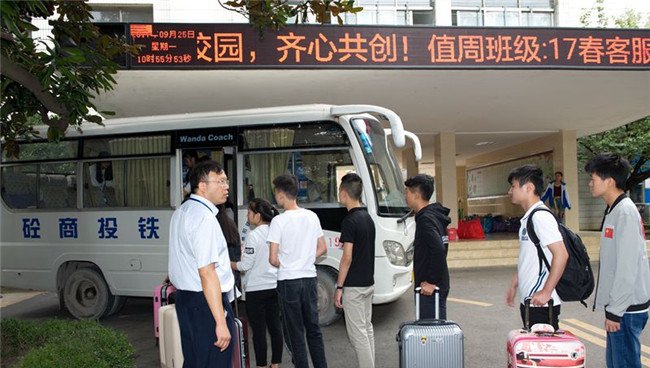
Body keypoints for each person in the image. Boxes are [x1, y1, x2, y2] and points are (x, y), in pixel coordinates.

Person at [168, 160, 236, 367]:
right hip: (205, 303)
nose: (226, 187)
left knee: (195, 360)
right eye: (221, 181)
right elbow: (207, 273)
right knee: (214, 361)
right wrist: (220, 322)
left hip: (186, 300)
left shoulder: (182, 211)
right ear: (203, 185)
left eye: (226, 181)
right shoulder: (204, 218)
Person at [585, 153, 649, 368]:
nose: (590, 183)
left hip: (626, 309)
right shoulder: (615, 209)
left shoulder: (625, 212)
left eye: (593, 178)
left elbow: (627, 267)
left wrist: (616, 311)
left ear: (609, 181)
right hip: (622, 307)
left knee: (624, 364)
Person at [267, 174, 328, 368]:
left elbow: (273, 258)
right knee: (313, 329)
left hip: (288, 281)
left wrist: (286, 263)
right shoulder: (312, 216)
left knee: (295, 332)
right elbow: (323, 248)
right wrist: (306, 258)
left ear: (280, 195)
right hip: (309, 278)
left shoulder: (278, 221)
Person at [505, 165, 568, 331]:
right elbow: (532, 256)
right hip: (531, 300)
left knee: (544, 354)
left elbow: (561, 254)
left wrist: (547, 291)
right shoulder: (530, 217)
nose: (510, 191)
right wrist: (515, 283)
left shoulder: (540, 217)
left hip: (541, 303)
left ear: (529, 188)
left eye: (514, 186)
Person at [231, 198, 283, 368]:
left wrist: (229, 264)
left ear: (258, 215)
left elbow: (245, 265)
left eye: (249, 213)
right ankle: (275, 364)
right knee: (275, 327)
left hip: (256, 290)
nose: (247, 215)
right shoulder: (276, 233)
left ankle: (261, 365)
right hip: (275, 286)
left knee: (259, 331)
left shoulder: (254, 235)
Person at [334, 173, 376, 368]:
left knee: (358, 335)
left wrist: (339, 287)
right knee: (367, 329)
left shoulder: (349, 221)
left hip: (355, 287)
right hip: (368, 283)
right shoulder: (367, 217)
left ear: (344, 194)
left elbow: (347, 258)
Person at [404, 174, 451, 319]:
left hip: (429, 288)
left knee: (431, 333)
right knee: (437, 329)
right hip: (438, 283)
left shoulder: (426, 219)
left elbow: (438, 248)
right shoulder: (434, 215)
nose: (405, 197)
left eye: (407, 193)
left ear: (416, 195)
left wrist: (431, 281)